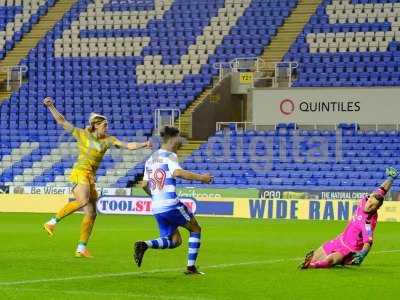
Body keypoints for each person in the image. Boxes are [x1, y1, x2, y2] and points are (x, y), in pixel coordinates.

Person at [42, 97, 151, 258]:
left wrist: (144, 144)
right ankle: (51, 222)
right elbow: (62, 121)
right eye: (104, 125)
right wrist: (51, 106)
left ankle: (81, 247)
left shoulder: (109, 140)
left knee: (91, 213)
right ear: (96, 125)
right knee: (83, 202)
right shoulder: (82, 134)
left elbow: (128, 146)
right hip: (80, 172)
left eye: (107, 125)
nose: (107, 127)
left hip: (91, 176)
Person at [134, 126, 213, 275]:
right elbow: (178, 172)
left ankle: (144, 245)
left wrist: (156, 196)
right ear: (173, 138)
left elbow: (144, 184)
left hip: (157, 207)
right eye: (179, 138)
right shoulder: (170, 156)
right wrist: (202, 178)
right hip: (170, 205)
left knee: (175, 241)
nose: (181, 142)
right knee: (195, 229)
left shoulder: (151, 159)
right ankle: (191, 268)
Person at [300, 167, 398, 269]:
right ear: (369, 198)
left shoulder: (368, 222)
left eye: (373, 206)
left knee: (330, 260)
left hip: (350, 249)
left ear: (377, 208)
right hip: (340, 239)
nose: (369, 206)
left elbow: (368, 242)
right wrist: (391, 178)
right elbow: (382, 190)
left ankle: (313, 266)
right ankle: (312, 263)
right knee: (315, 256)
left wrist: (362, 254)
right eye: (370, 202)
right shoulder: (365, 199)